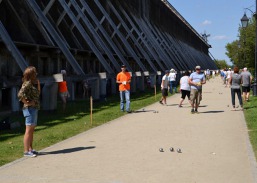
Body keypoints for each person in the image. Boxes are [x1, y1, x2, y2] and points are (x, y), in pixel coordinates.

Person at [18, 66, 40, 158]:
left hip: (34, 108)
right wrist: (27, 102)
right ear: (31, 74)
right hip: (29, 109)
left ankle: (30, 149)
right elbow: (20, 94)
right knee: (28, 130)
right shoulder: (26, 84)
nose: (36, 74)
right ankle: (26, 151)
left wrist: (38, 84)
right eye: (35, 73)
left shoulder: (31, 83)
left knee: (31, 130)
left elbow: (38, 94)